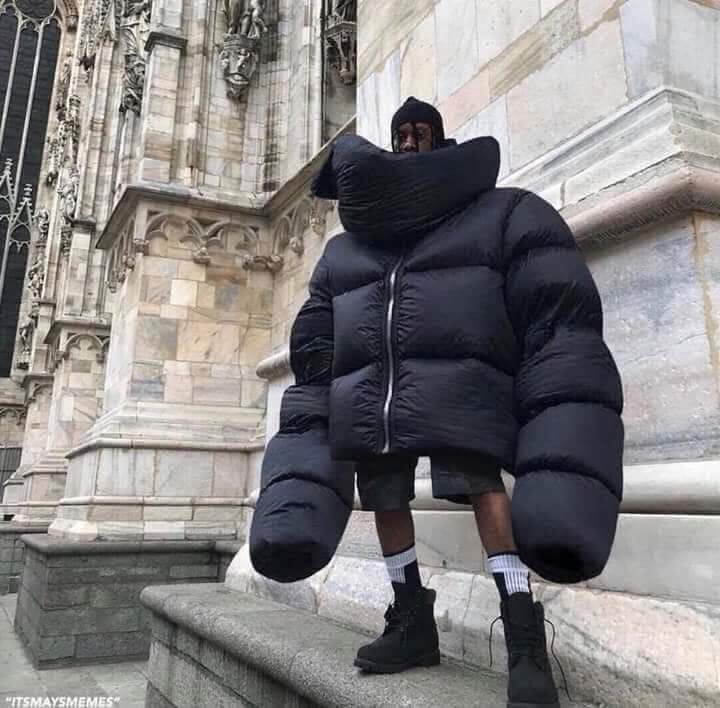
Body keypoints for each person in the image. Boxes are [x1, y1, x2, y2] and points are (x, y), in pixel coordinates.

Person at [254, 97, 624, 708]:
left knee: (481, 486)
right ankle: (411, 620)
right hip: (372, 394)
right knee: (384, 495)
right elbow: (314, 345)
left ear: (440, 139)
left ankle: (523, 634)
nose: (409, 142)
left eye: (420, 133)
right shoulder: (348, 246)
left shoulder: (491, 212)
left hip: (461, 385)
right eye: (401, 134)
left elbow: (557, 317)